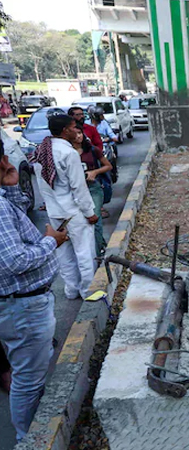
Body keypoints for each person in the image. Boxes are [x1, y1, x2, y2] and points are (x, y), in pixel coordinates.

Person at [1, 137, 68, 442]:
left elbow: (15, 222)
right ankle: (29, 441)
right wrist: (51, 241)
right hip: (23, 307)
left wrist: (12, 186)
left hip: (22, 304)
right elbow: (14, 259)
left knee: (29, 376)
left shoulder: (3, 201)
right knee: (27, 381)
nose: (8, 162)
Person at [28, 114, 98, 300]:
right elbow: (78, 187)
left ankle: (71, 290)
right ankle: (87, 291)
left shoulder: (42, 151)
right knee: (84, 252)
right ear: (65, 130)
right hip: (74, 212)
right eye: (74, 126)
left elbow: (43, 186)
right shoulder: (69, 153)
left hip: (55, 212)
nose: (77, 130)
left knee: (64, 254)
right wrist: (90, 213)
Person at [70, 127, 112, 256]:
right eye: (75, 133)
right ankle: (99, 244)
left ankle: (98, 253)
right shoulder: (66, 152)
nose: (78, 136)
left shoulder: (92, 150)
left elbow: (108, 165)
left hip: (93, 188)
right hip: (74, 191)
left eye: (80, 133)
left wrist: (95, 172)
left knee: (95, 218)